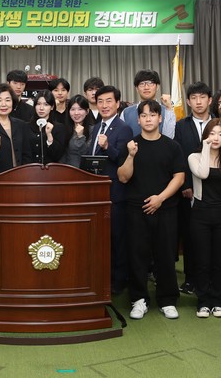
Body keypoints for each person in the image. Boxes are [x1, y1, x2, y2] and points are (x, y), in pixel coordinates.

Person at [117, 100, 185, 320]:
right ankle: (139, 299)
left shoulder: (172, 146)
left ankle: (168, 299)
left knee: (166, 255)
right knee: (137, 256)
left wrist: (160, 198)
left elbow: (179, 177)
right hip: (136, 210)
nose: (148, 119)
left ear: (160, 118)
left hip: (166, 209)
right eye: (144, 115)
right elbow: (123, 177)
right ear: (138, 120)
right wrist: (130, 155)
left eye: (152, 115)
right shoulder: (131, 145)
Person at [188, 118, 221, 319]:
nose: (216, 138)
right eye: (212, 134)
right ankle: (203, 301)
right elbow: (202, 173)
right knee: (202, 260)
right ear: (205, 136)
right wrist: (205, 147)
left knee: (220, 261)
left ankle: (218, 301)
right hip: (200, 214)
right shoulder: (194, 157)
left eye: (220, 134)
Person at [87, 85, 133, 295]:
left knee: (117, 238)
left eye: (108, 101)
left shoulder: (124, 128)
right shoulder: (97, 127)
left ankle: (119, 280)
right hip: (97, 191)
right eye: (100, 101)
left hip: (116, 192)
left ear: (117, 103)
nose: (104, 105)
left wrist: (107, 147)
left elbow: (123, 160)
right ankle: (103, 276)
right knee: (101, 238)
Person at [173, 81, 214, 295]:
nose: (198, 102)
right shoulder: (181, 125)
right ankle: (190, 279)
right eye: (194, 98)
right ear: (188, 102)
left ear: (210, 100)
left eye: (202, 97)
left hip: (215, 190)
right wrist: (186, 185)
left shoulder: (218, 124)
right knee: (190, 236)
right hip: (189, 191)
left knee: (212, 237)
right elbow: (178, 157)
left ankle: (211, 279)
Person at [0, 83, 34, 177]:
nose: (4, 104)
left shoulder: (21, 125)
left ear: (12, 102)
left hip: (20, 177)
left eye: (7, 100)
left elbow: (27, 155)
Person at [120, 69, 176, 138]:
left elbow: (169, 138)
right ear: (137, 88)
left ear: (157, 87)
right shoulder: (126, 113)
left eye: (150, 83)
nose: (146, 87)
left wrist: (169, 108)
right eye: (142, 84)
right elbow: (122, 138)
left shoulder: (166, 111)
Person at [29, 89, 66, 165]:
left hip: (50, 170)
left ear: (52, 107)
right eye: (38, 104)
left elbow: (57, 156)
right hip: (29, 169)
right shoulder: (26, 126)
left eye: (46, 104)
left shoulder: (59, 128)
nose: (41, 108)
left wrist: (49, 135)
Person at [60, 94, 95, 167]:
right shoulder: (64, 129)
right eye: (73, 109)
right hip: (67, 170)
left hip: (85, 171)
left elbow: (87, 154)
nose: (76, 113)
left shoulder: (93, 130)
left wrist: (80, 136)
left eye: (80, 109)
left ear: (87, 111)